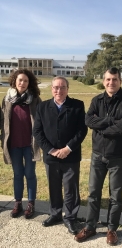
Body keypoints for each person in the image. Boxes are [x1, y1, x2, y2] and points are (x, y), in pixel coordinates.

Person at [74, 67, 122, 246]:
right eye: (108, 79)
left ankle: (112, 229)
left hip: (118, 157)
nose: (111, 83)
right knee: (93, 193)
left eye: (115, 79)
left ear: (120, 81)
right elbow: (88, 121)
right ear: (104, 81)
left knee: (115, 196)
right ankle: (90, 226)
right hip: (97, 156)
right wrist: (109, 121)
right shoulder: (97, 100)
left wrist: (101, 127)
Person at [33, 76, 87, 235]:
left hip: (70, 155)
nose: (59, 90)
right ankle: (55, 214)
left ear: (67, 89)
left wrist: (68, 148)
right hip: (51, 156)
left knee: (71, 188)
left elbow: (81, 130)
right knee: (54, 187)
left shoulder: (77, 105)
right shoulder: (42, 107)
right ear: (51, 89)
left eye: (62, 87)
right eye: (56, 87)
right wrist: (51, 150)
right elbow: (37, 131)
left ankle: (70, 217)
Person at [0, 69, 41, 219]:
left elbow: (41, 119)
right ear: (14, 81)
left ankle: (31, 203)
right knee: (17, 174)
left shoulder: (34, 99)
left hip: (30, 144)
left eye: (25, 81)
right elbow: (2, 120)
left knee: (30, 173)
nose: (22, 83)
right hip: (14, 144)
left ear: (29, 83)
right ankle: (18, 202)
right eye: (20, 80)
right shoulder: (7, 99)